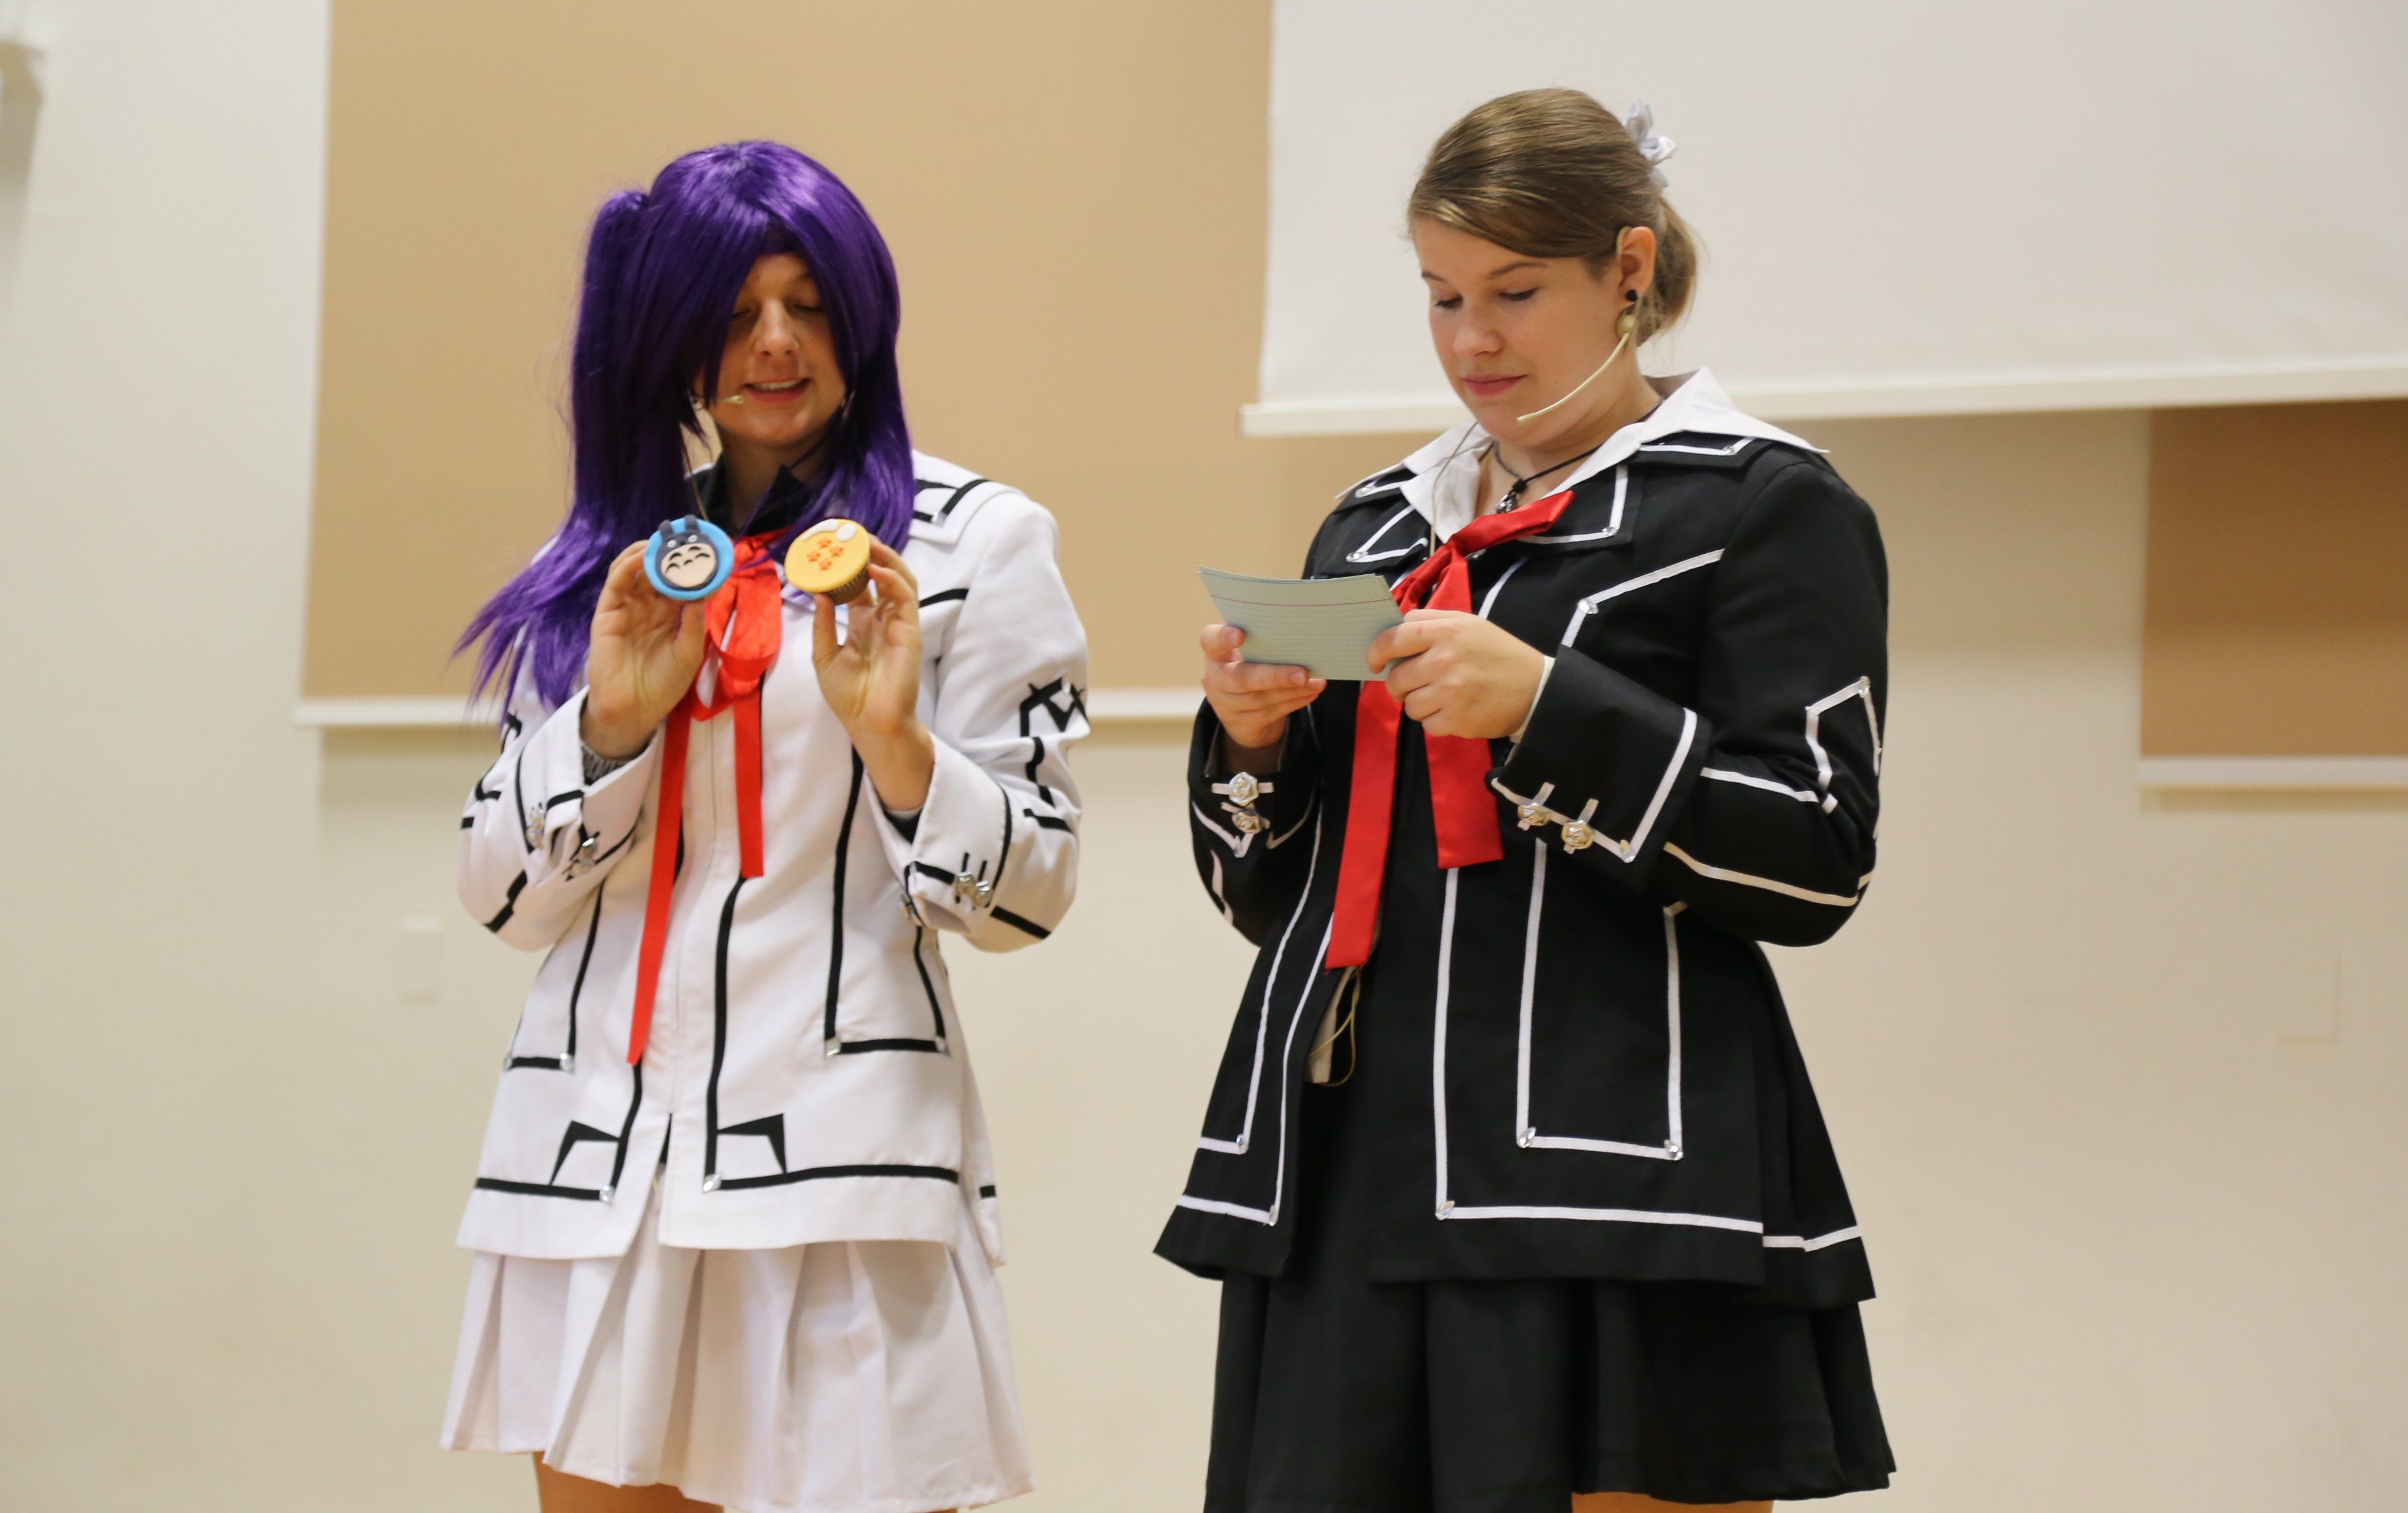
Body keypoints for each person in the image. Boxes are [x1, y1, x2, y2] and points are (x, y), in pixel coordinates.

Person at [1158, 89, 1894, 1510]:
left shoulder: (1762, 503)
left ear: (1629, 270)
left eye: (1513, 293)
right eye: (1441, 297)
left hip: (1615, 1171)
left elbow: (1816, 857)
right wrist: (1250, 743)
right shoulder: (1373, 523)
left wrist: (1551, 706)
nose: (1471, 342)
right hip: (1346, 1169)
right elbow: (1270, 896)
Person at [444, 141, 1087, 1513]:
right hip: (599, 1165)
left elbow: (1031, 896)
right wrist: (610, 728)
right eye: (733, 313)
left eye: (809, 303)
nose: (777, 344)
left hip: (843, 1164)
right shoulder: (605, 565)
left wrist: (898, 746)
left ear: (864, 317)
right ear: (667, 336)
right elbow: (502, 898)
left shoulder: (975, 543)